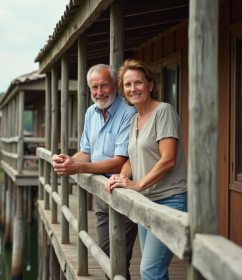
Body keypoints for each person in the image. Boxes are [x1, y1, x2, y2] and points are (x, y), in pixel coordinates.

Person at [53, 64, 138, 279]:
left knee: (119, 261)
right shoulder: (91, 112)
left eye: (104, 86)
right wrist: (69, 160)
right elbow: (86, 152)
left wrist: (77, 167)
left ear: (116, 86)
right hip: (101, 195)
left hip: (124, 193)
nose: (99, 93)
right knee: (107, 255)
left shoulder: (129, 113)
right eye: (94, 87)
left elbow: (120, 162)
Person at [105, 59, 187, 280]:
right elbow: (133, 157)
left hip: (169, 201)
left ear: (151, 84)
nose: (133, 89)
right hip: (146, 202)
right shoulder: (135, 120)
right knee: (157, 270)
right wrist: (119, 178)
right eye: (128, 85)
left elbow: (168, 159)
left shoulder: (164, 112)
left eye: (138, 83)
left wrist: (137, 184)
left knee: (150, 270)